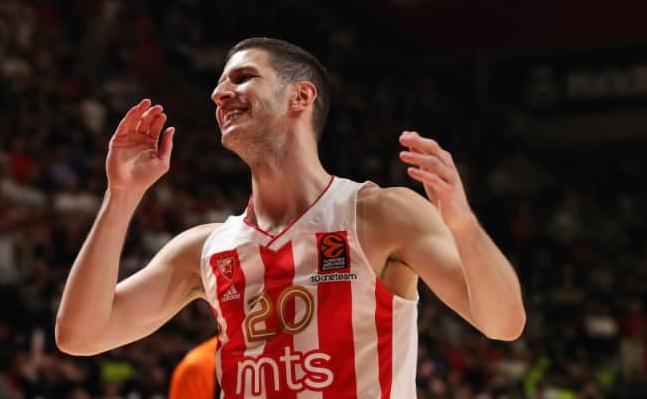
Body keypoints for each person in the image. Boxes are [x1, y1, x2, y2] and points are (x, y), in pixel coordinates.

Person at [55, 37, 526, 398]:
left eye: (242, 78)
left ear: (300, 97)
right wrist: (120, 198)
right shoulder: (205, 248)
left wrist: (463, 225)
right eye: (219, 84)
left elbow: (503, 323)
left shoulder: (379, 215)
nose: (219, 93)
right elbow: (80, 335)